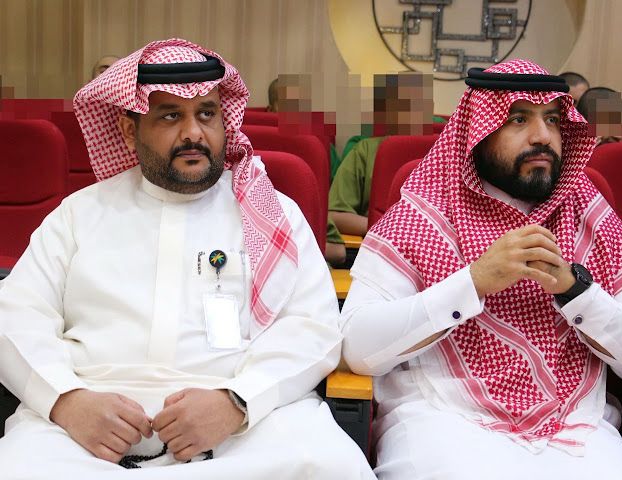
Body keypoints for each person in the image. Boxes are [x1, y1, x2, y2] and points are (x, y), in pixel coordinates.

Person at [0, 38, 374, 479]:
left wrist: (237, 401)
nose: (194, 132)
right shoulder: (79, 215)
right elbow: (16, 315)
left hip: (244, 424)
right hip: (89, 421)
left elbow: (313, 327)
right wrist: (66, 399)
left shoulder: (272, 214)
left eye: (207, 114)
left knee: (330, 465)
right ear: (129, 130)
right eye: (170, 115)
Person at [340, 59, 622, 479]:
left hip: (576, 429)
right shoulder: (424, 216)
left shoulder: (590, 217)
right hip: (444, 419)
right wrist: (473, 282)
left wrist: (577, 292)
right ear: (477, 132)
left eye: (552, 120)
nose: (542, 136)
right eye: (519, 119)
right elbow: (357, 348)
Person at [328, 72, 444, 237]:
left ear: (430, 108)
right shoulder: (364, 151)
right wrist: (391, 231)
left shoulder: (449, 153)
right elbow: (335, 215)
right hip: (376, 241)